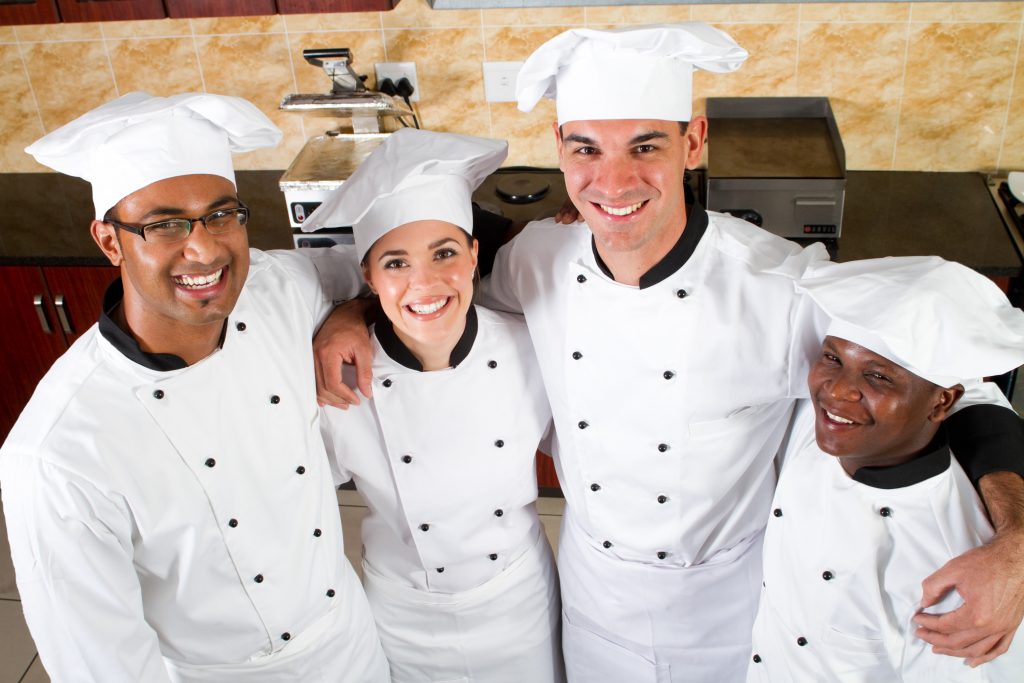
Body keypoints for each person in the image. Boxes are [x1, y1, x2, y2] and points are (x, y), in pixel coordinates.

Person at [313, 23, 1024, 682]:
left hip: (727, 605)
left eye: (644, 146)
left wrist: (1017, 543)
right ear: (559, 146)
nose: (613, 183)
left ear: (694, 141)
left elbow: (965, 387)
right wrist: (355, 307)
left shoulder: (778, 287)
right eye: (587, 149)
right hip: (594, 597)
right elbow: (437, 282)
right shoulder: (540, 260)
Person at [0, 92, 389, 682]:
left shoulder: (279, 289)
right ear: (110, 241)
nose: (204, 247)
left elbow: (373, 275)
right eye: (164, 224)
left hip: (349, 642)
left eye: (221, 214)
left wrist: (348, 315)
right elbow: (100, 665)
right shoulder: (58, 453)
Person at [301, 128, 564, 682]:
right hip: (401, 610)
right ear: (367, 276)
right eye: (395, 263)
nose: (424, 282)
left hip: (518, 600)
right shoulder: (338, 378)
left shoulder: (531, 347)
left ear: (473, 256)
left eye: (444, 253)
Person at [748, 256, 1024, 681]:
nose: (838, 391)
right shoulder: (816, 425)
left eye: (878, 377)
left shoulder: (958, 571)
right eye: (833, 359)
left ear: (941, 403)